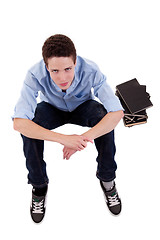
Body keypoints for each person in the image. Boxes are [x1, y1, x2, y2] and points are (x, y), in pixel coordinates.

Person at [13, 34, 124, 223]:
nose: (62, 77)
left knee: (102, 117)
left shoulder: (91, 70)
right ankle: (39, 187)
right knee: (30, 128)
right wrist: (63, 138)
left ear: (75, 61)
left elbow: (116, 113)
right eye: (54, 71)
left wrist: (82, 139)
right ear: (46, 66)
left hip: (83, 107)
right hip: (51, 109)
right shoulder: (34, 74)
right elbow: (19, 123)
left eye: (68, 69)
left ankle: (107, 179)